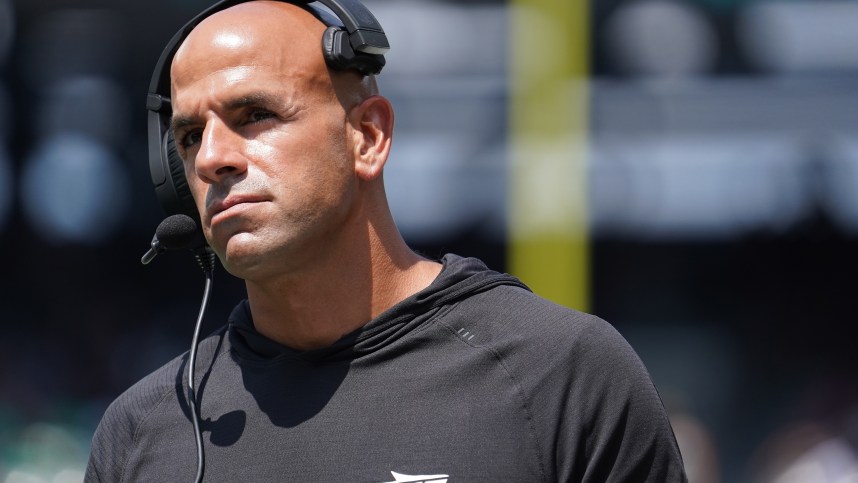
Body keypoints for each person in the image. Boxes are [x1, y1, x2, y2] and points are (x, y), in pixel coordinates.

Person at [86, 1, 687, 481]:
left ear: (368, 136)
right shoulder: (144, 429)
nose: (213, 157)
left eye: (254, 116)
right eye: (190, 136)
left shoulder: (563, 374)